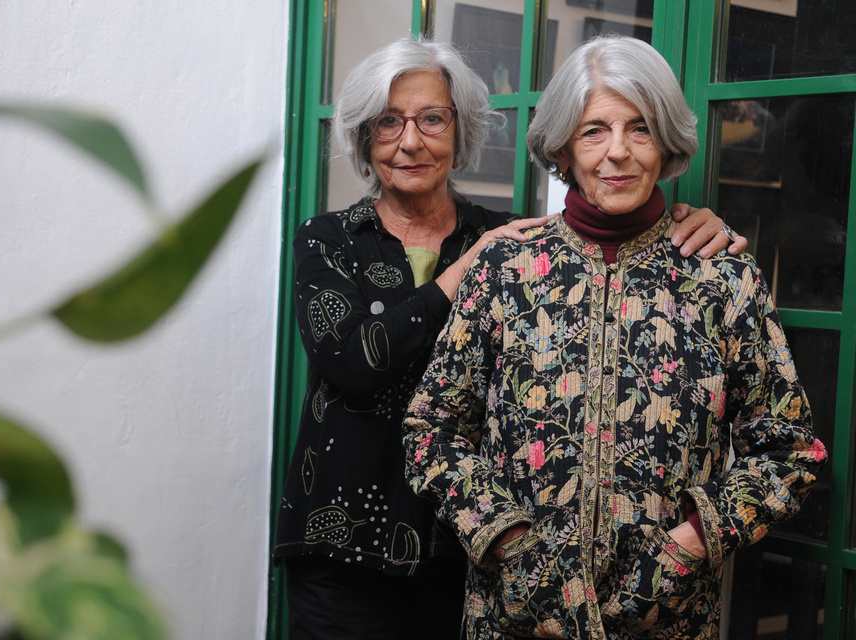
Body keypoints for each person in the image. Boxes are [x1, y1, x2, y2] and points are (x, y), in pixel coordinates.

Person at [274, 36, 745, 640]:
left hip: (463, 552)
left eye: (432, 119)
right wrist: (463, 269)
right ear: (364, 137)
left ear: (460, 131)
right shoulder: (332, 239)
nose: (410, 140)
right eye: (388, 122)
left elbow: (608, 224)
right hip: (345, 545)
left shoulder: (506, 240)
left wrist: (691, 222)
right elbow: (352, 363)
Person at [401, 35, 826, 639]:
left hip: (667, 623)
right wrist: (513, 547)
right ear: (564, 147)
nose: (618, 153)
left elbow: (789, 453)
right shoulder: (505, 268)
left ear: (667, 142)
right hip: (517, 621)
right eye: (594, 130)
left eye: (641, 128)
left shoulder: (722, 278)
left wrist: (688, 546)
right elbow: (432, 430)